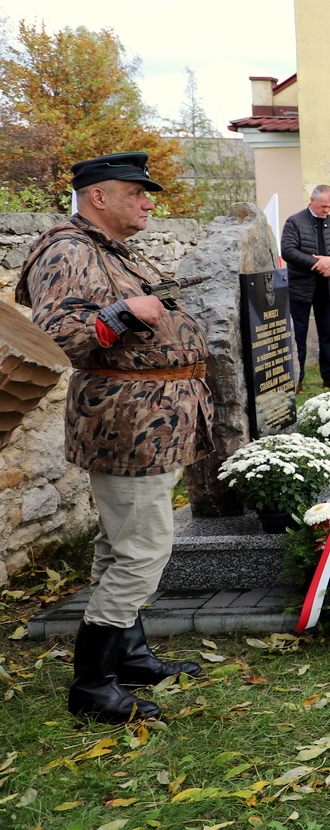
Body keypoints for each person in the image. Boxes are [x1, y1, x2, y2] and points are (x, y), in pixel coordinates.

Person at [19, 151, 210, 723]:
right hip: (127, 423)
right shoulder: (69, 249)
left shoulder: (105, 248)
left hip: (149, 421)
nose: (149, 201)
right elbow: (60, 336)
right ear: (99, 196)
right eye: (137, 192)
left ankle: (128, 654)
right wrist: (127, 311)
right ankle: (93, 684)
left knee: (121, 542)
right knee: (143, 548)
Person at [281, 184, 330, 392]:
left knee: (327, 334)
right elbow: (288, 250)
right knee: (298, 335)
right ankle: (297, 378)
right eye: (323, 206)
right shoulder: (295, 222)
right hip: (300, 288)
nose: (326, 210)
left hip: (327, 289)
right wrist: (319, 265)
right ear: (311, 200)